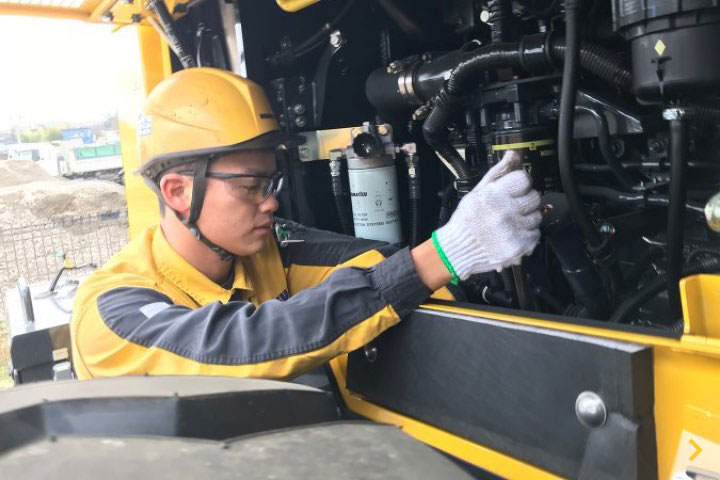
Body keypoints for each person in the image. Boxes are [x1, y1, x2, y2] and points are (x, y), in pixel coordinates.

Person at [70, 67, 541, 380]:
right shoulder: (111, 314)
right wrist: (442, 254)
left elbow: (376, 264)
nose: (271, 203)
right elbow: (237, 342)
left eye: (271, 183)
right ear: (177, 192)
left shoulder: (267, 250)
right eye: (250, 186)